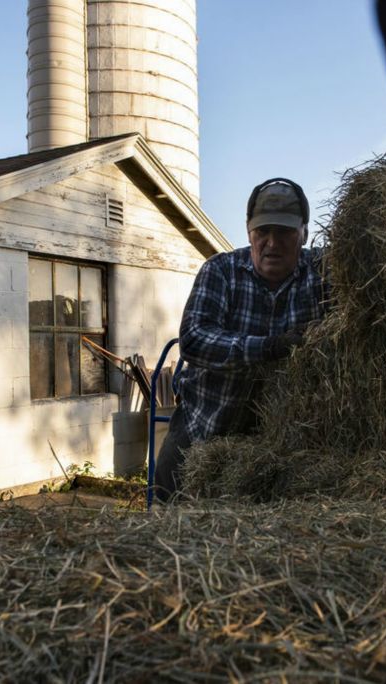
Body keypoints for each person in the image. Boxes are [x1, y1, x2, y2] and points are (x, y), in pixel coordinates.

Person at [153, 178, 326, 501]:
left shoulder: (322, 272)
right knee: (166, 513)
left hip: (282, 450)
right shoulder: (221, 271)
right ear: (249, 230)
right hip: (203, 429)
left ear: (304, 232)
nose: (272, 244)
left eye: (285, 232)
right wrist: (269, 346)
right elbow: (194, 339)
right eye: (263, 232)